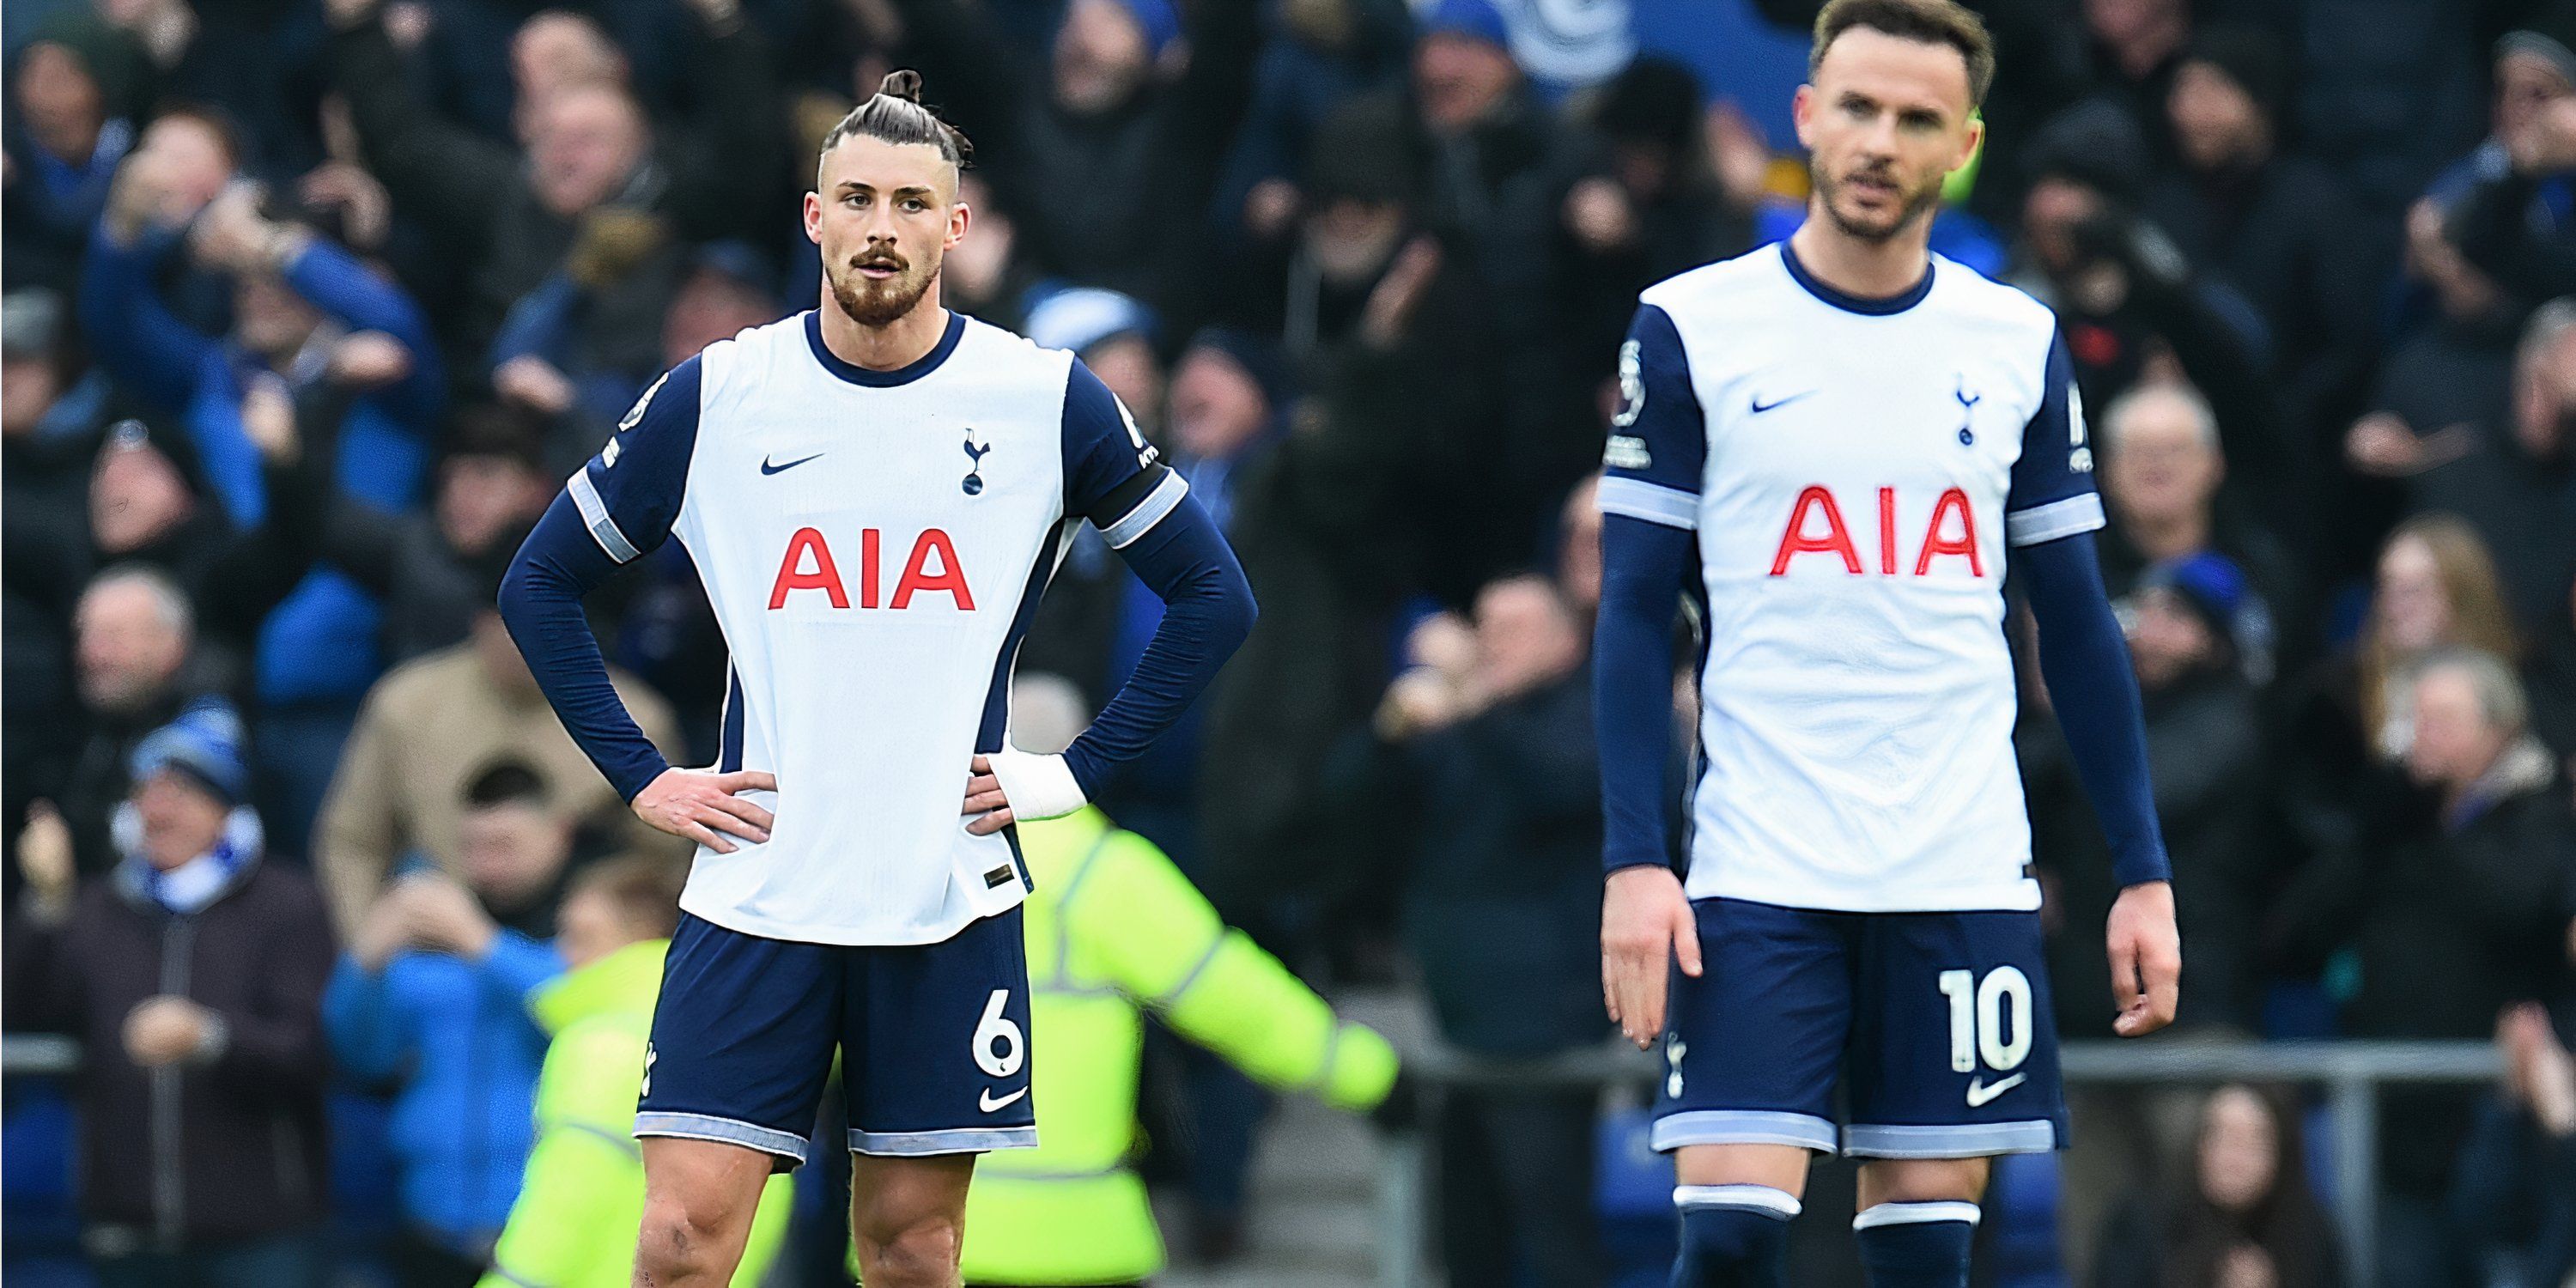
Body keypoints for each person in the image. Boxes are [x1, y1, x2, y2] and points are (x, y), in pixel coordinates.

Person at [495, 72, 1255, 1286]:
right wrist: (641, 779)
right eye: (857, 197)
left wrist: (1077, 774)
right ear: (815, 218)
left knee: (911, 1250)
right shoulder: (722, 393)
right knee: (680, 1244)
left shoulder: (1043, 400)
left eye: (913, 201)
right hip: (759, 885)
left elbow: (1217, 596)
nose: (882, 226)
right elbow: (537, 583)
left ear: (956, 227)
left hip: (941, 895)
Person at [1589, 3, 2182, 1285]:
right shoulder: (1692, 327)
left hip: (1957, 863)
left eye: (1917, 119)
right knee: (1734, 1240)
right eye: (1856, 107)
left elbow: (2075, 622)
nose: (1880, 141)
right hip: (1761, 861)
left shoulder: (2013, 342)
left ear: (1961, 146)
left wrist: (2142, 869)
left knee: (1926, 1261)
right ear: (1807, 116)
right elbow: (1634, 609)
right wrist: (1637, 863)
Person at [941, 674, 1396, 1286]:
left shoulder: (918, 873)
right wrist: (1367, 1075)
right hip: (1076, 1239)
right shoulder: (1104, 873)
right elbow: (1232, 996)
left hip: (921, 1239)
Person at [3, 702, 336, 1288]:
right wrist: (45, 906)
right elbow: (23, 1008)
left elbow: (309, 1050)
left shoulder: (289, 906)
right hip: (129, 1231)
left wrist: (210, 1038)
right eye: (145, 792)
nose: (156, 810)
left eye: (178, 791)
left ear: (223, 805)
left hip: (261, 1237)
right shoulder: (97, 907)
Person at [1348, 574, 1608, 1287]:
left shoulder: (1585, 708)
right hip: (1455, 1014)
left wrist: (1477, 704)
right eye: (1484, 626)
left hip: (1547, 1023)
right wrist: (1393, 731)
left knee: (1554, 1228)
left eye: (1514, 628)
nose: (1490, 646)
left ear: (1566, 641)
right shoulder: (1467, 723)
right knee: (1465, 1236)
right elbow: (1360, 815)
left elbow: (1559, 788)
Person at [477, 856, 793, 1288]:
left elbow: (565, 1203)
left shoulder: (603, 1042)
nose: (564, 955)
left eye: (582, 936)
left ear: (643, 937)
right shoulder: (739, 1042)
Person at [323, 760, 579, 1287]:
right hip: (430, 1220)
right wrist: (366, 961)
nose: (485, 867)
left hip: (546, 1221)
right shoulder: (432, 938)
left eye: (504, 845)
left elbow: (584, 1009)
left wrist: (482, 943)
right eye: (472, 848)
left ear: (557, 833)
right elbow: (362, 1053)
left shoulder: (592, 916)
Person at [314, 592, 683, 937]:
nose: (525, 637)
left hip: (583, 949)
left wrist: (607, 924)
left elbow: (667, 861)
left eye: (545, 619)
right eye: (510, 621)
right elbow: (353, 841)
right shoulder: (408, 704)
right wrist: (368, 941)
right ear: (481, 622)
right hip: (437, 935)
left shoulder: (637, 718)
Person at [2089, 1084, 2345, 1288]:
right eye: (2222, 1137)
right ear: (2199, 1146)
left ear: (2281, 1154)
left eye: (2254, 1141)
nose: (2235, 1156)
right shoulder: (2140, 1225)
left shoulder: (2309, 1234)